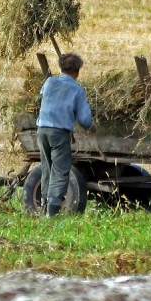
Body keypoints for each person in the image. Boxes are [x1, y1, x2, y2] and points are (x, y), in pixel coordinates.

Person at [36, 52, 94, 216]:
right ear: (77, 71)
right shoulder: (76, 89)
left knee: (47, 168)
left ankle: (44, 203)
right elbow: (84, 119)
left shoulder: (49, 82)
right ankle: (52, 211)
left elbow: (43, 96)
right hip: (59, 133)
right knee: (61, 171)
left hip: (42, 130)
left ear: (61, 68)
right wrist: (91, 126)